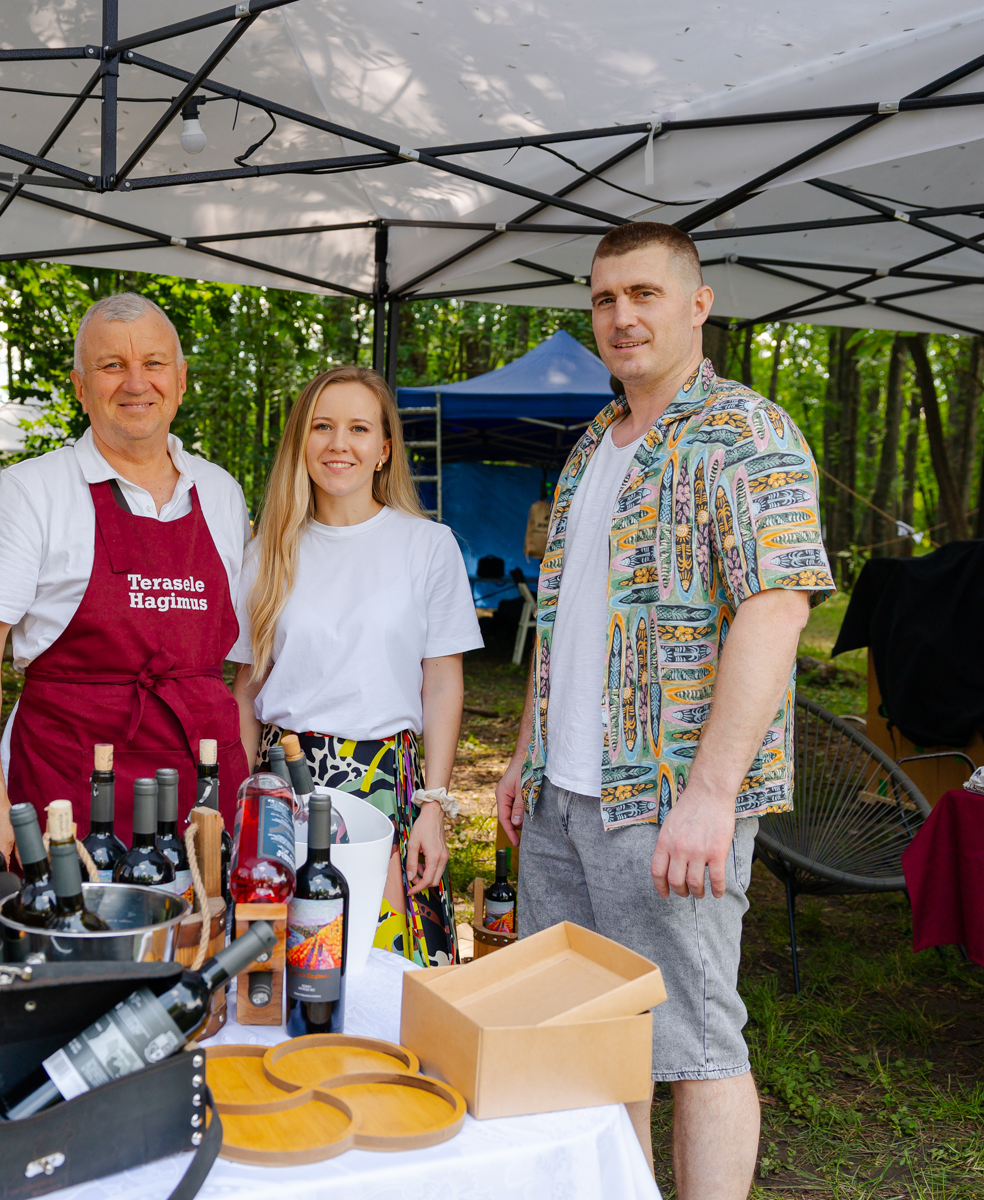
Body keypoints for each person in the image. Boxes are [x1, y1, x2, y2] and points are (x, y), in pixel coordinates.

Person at [493, 222, 833, 1198]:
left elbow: (777, 611)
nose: (621, 316)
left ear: (697, 303)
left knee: (695, 1043)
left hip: (667, 800)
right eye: (604, 299)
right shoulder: (592, 445)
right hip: (564, 799)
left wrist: (712, 795)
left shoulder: (748, 434)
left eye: (643, 293)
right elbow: (558, 621)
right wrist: (524, 755)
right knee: (597, 1041)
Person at [0, 293, 251, 857]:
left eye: (154, 364)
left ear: (181, 381)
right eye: (112, 366)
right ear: (80, 386)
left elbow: (244, 661)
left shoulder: (222, 493)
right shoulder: (29, 492)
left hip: (205, 784)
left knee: (211, 940)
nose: (137, 383)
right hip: (70, 785)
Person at [231, 366, 481, 966]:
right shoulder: (267, 551)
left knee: (392, 963)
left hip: (386, 777)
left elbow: (443, 683)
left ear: (384, 450)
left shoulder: (428, 545)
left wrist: (433, 806)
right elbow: (246, 689)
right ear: (301, 442)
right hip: (286, 778)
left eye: (358, 428)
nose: (338, 443)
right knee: (293, 964)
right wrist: (244, 801)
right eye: (322, 426)